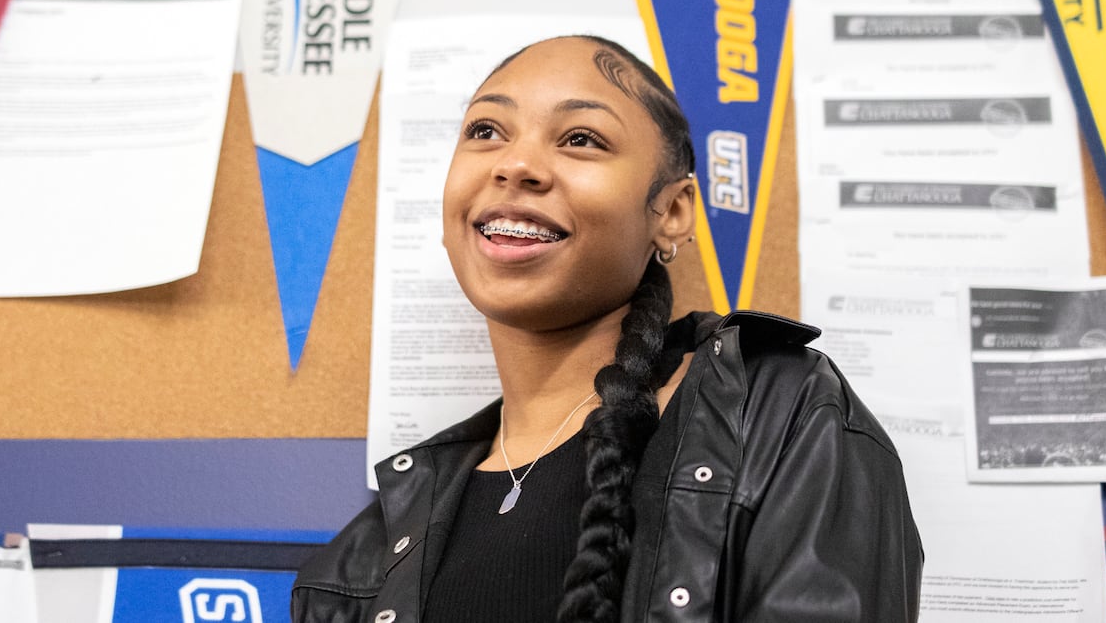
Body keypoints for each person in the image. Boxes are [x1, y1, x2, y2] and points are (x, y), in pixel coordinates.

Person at [292, 36, 923, 622]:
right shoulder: (356, 566)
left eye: (581, 139)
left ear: (671, 213)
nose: (515, 165)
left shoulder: (780, 416)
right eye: (486, 130)